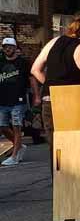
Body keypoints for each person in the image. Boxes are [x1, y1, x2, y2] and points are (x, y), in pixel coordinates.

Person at [30, 11, 80, 144]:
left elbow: (35, 70)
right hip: (72, 102)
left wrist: (53, 85)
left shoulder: (54, 42)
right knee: (75, 149)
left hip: (49, 100)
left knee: (57, 152)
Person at [0, 38, 38, 166]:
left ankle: (15, 155)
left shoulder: (23, 63)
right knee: (2, 126)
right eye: (5, 47)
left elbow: (32, 79)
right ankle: (20, 145)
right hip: (3, 100)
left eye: (10, 46)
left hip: (19, 99)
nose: (7, 49)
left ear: (16, 48)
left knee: (17, 127)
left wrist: (36, 96)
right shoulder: (1, 62)